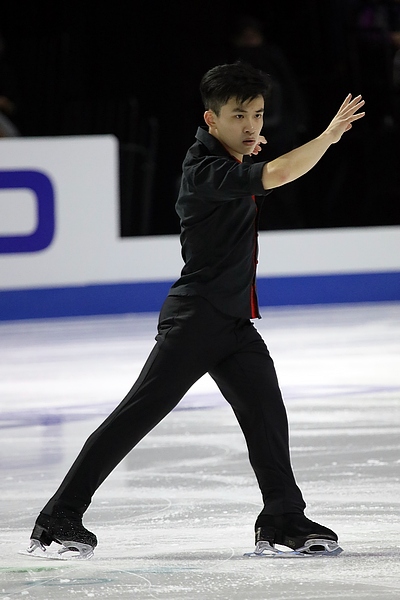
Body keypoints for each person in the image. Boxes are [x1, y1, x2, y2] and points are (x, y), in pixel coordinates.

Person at [26, 62, 365, 559]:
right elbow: (278, 173)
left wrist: (245, 151)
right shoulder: (205, 171)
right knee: (136, 415)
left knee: (266, 414)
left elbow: (261, 170)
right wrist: (328, 137)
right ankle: (59, 516)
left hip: (232, 322)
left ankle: (283, 517)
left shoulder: (229, 161)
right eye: (238, 116)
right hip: (197, 319)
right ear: (211, 119)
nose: (251, 125)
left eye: (258, 115)